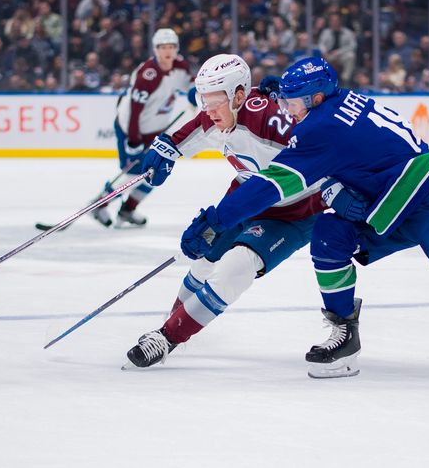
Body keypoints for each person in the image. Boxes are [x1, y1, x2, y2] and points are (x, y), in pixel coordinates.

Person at [175, 57, 429, 394]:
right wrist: (282, 93)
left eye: (293, 101)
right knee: (328, 233)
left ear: (317, 99)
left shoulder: (320, 130)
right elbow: (351, 147)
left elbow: (270, 186)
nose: (286, 110)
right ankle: (344, 337)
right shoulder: (336, 103)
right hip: (387, 204)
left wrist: (218, 222)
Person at [123, 54, 324, 368]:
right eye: (204, 100)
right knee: (205, 257)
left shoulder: (269, 120)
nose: (209, 109)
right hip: (246, 196)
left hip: (295, 212)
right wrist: (163, 151)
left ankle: (167, 338)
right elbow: (179, 139)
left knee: (236, 267)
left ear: (239, 96)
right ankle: (176, 320)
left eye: (217, 100)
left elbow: (322, 148)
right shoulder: (215, 116)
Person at [92, 28, 196, 228]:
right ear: (156, 49)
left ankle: (128, 210)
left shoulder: (180, 66)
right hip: (132, 129)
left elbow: (189, 84)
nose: (167, 52)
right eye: (163, 47)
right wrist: (133, 140)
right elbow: (134, 110)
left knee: (156, 170)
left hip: (155, 131)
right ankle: (100, 204)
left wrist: (195, 93)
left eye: (171, 47)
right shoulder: (148, 75)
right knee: (133, 174)